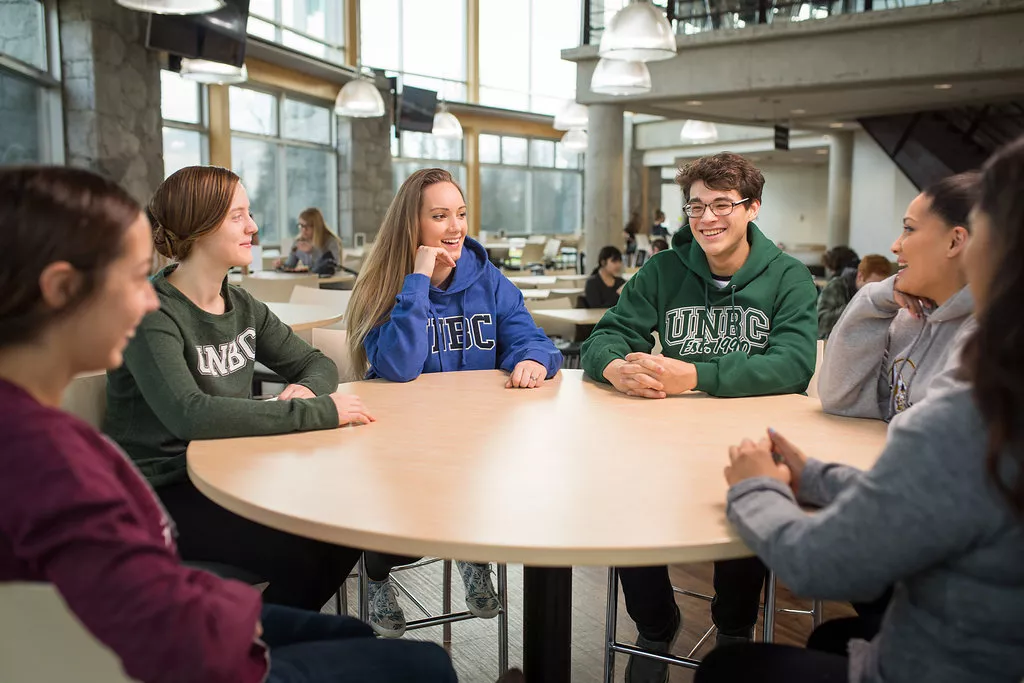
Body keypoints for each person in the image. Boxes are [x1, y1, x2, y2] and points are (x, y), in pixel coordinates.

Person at [0, 166, 458, 683]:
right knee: (425, 665)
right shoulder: (55, 467)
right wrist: (310, 411)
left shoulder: (49, 439)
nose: (147, 295)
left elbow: (149, 595)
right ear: (62, 288)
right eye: (131, 278)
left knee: (350, 624)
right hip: (194, 589)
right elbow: (154, 622)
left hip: (206, 565)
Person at [698, 138, 1024, 683]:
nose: (896, 245)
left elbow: (820, 564)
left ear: (977, 242)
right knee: (832, 636)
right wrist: (818, 477)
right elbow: (928, 493)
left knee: (728, 669)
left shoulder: (980, 404)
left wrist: (756, 487)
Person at [580, 152, 817, 682]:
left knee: (750, 499)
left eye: (722, 205)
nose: (707, 219)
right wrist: (615, 366)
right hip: (666, 446)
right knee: (627, 503)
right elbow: (604, 336)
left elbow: (794, 364)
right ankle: (655, 625)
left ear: (752, 207)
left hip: (748, 444)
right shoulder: (664, 270)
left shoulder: (788, 277)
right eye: (695, 207)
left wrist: (698, 375)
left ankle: (734, 629)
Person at [103, 165, 373, 612]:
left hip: (229, 472)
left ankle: (257, 647)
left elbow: (315, 362)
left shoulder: (242, 304)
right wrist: (316, 412)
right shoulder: (151, 313)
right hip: (162, 492)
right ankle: (249, 653)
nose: (254, 226)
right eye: (238, 216)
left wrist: (305, 392)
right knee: (315, 543)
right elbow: (191, 414)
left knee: (344, 521)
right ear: (200, 228)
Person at [345, 167, 563, 638]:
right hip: (404, 447)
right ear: (413, 226)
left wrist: (532, 359)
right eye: (440, 216)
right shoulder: (386, 285)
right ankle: (378, 575)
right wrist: (418, 282)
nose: (455, 227)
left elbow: (534, 338)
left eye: (460, 214)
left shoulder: (489, 280)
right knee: (399, 527)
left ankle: (470, 550)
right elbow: (399, 367)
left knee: (508, 495)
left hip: (474, 442)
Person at [817, 173, 978, 423]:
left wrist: (812, 466)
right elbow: (842, 400)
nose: (895, 246)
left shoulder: (990, 337)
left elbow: (938, 443)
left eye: (909, 229)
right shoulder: (908, 317)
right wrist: (874, 300)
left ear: (955, 241)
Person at [275, 207, 342, 274]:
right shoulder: (298, 242)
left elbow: (335, 266)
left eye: (307, 226)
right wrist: (281, 266)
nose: (303, 230)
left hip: (329, 281)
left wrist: (312, 251)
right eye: (301, 226)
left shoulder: (330, 241)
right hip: (308, 281)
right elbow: (290, 265)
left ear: (317, 226)